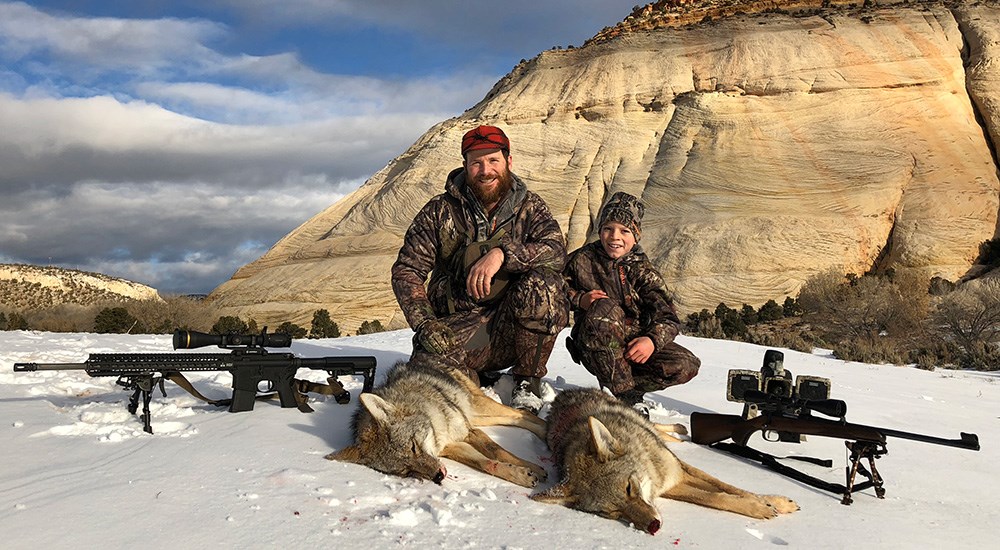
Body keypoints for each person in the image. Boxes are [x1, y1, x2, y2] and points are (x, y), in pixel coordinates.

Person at [391, 125, 568, 414]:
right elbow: (407, 270)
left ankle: (527, 380)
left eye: (493, 160)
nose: (486, 170)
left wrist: (504, 254)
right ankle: (475, 380)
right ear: (466, 166)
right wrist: (425, 324)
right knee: (426, 366)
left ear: (508, 162)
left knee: (544, 283)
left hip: (513, 326)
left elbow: (556, 252)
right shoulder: (439, 212)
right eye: (477, 162)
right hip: (464, 327)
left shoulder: (530, 207)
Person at [563, 191, 700, 416]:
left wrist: (651, 341)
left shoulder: (643, 271)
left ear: (635, 236)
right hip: (593, 343)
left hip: (628, 346)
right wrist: (580, 299)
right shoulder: (581, 259)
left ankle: (630, 390)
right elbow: (552, 285)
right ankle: (621, 393)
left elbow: (668, 318)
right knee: (605, 308)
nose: (614, 237)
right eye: (608, 228)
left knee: (686, 364)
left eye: (624, 231)